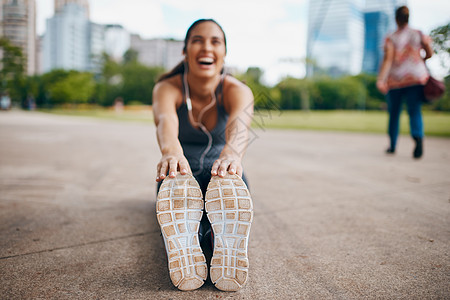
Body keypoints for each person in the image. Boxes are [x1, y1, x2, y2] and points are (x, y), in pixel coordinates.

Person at [152, 19, 254, 292]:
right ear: (184, 51)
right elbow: (165, 122)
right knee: (176, 185)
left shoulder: (237, 90)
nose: (206, 47)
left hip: (221, 167)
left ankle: (211, 239)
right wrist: (171, 153)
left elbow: (240, 129)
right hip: (180, 167)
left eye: (214, 41)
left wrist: (231, 155)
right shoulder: (167, 88)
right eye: (197, 40)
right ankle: (193, 241)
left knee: (229, 185)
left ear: (224, 53)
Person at [377, 6, 433, 159]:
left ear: (396, 19)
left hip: (396, 80)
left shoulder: (391, 38)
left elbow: (388, 60)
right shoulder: (418, 33)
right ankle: (417, 137)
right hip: (415, 78)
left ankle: (392, 145)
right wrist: (418, 60)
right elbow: (429, 53)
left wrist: (381, 79)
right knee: (414, 111)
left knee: (394, 113)